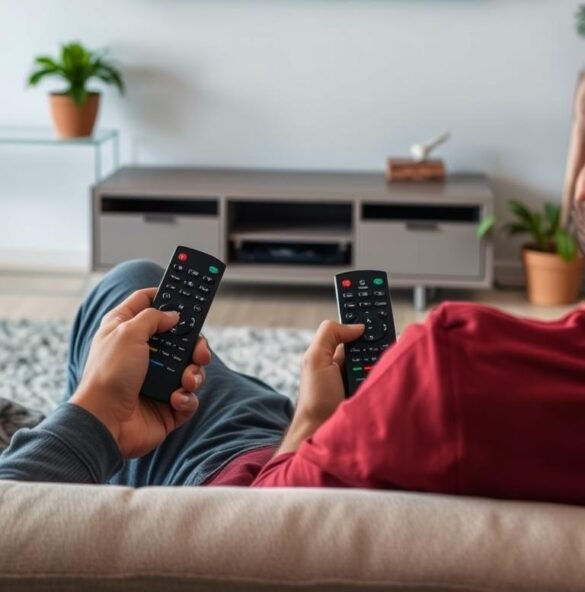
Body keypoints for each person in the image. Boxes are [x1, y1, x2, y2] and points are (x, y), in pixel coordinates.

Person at [3, 258, 585, 505]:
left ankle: (73, 445)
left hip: (225, 485)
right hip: (307, 459)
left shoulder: (452, 363)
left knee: (131, 286)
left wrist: (314, 417)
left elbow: (264, 515)